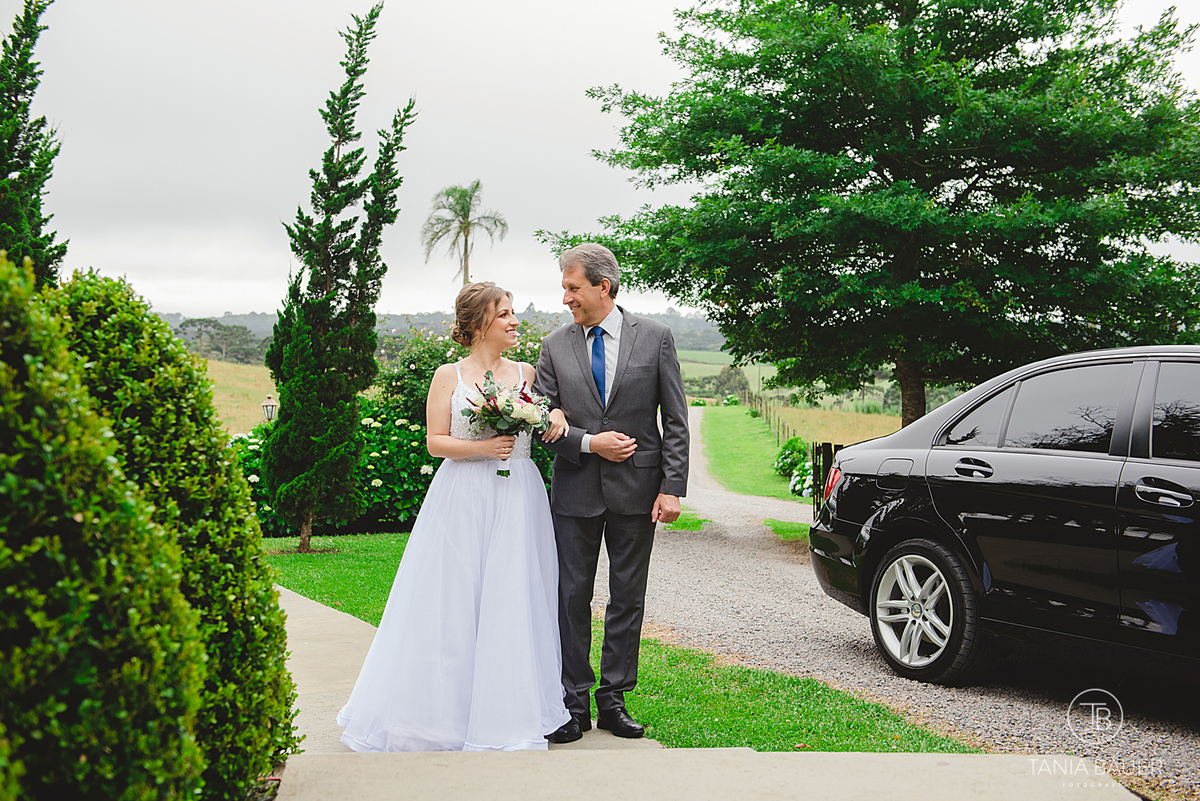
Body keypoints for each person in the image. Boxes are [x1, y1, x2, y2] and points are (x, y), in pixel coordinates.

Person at [336, 282, 571, 751]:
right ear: (479, 323)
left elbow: (547, 412)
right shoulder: (449, 375)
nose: (513, 320)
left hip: (518, 496)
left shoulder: (525, 371)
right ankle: (446, 712)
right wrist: (483, 448)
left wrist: (557, 415)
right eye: (503, 314)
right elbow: (435, 441)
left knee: (515, 595)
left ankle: (512, 708)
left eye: (511, 313)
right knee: (455, 598)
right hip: (463, 494)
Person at [532, 243, 689, 743]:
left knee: (628, 597)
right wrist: (588, 441)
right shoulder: (555, 345)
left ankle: (614, 701)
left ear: (604, 286)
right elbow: (540, 422)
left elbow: (676, 420)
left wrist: (672, 488)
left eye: (573, 288)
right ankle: (573, 703)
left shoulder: (657, 338)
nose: (565, 299)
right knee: (571, 596)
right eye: (564, 288)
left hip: (637, 491)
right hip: (574, 489)